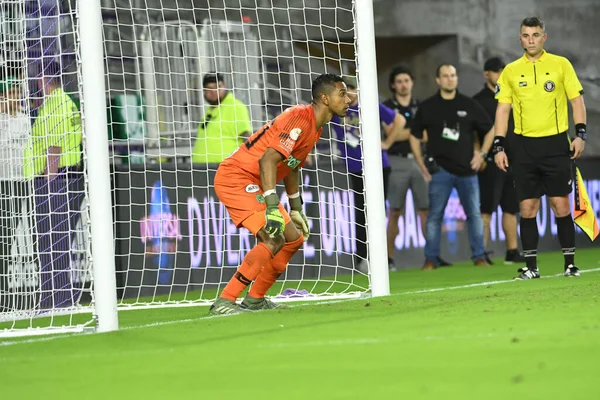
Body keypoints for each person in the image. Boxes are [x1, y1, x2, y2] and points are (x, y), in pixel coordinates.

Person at [209, 74, 351, 315]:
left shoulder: (315, 127)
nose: (348, 99)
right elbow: (268, 159)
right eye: (343, 94)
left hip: (255, 179)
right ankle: (225, 300)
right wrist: (273, 206)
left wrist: (296, 208)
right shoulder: (299, 118)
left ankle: (255, 299)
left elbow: (292, 164)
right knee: (273, 238)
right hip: (238, 178)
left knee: (293, 239)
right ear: (325, 99)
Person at [493, 17, 587, 280]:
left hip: (556, 143)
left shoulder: (560, 64)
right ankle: (531, 267)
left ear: (544, 37)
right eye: (526, 35)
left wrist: (580, 134)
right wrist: (499, 145)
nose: (531, 39)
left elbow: (576, 101)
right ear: (520, 38)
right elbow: (502, 110)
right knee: (527, 208)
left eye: (536, 34)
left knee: (561, 205)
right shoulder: (510, 71)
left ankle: (570, 264)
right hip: (522, 147)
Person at [411, 64, 495, 270]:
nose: (450, 79)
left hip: (468, 171)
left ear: (457, 79)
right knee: (435, 216)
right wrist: (421, 164)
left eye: (453, 75)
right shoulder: (428, 106)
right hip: (440, 170)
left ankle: (479, 256)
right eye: (445, 76)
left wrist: (482, 154)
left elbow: (491, 130)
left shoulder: (469, 104)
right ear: (438, 80)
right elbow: (414, 135)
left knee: (474, 215)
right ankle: (431, 259)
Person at [330, 78, 406, 272]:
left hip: (379, 165)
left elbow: (399, 120)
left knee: (379, 211)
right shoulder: (335, 111)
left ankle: (383, 258)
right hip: (356, 167)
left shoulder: (370, 105)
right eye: (343, 91)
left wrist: (388, 143)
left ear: (357, 90)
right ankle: (362, 259)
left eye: (351, 90)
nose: (348, 95)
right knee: (360, 213)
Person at [383, 66, 452, 270]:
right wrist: (413, 132)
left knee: (425, 210)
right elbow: (391, 135)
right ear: (393, 85)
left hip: (419, 159)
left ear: (412, 82)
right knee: (394, 211)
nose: (403, 84)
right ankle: (387, 260)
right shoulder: (387, 106)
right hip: (397, 160)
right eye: (399, 81)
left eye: (407, 80)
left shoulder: (422, 106)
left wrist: (402, 131)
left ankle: (432, 256)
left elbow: (431, 133)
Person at [473, 58, 526, 265]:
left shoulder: (514, 95)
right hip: (491, 160)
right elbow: (474, 132)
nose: (500, 74)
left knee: (511, 208)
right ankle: (481, 253)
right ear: (487, 74)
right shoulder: (478, 100)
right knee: (486, 209)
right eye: (496, 71)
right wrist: (481, 154)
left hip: (513, 158)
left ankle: (512, 251)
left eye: (503, 71)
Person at [0, 75, 31, 310]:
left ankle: (5, 298)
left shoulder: (24, 118)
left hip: (21, 183)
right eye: (12, 92)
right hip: (2, 183)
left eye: (18, 91)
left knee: (10, 238)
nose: (17, 96)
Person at [192, 72, 252, 164]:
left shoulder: (235, 107)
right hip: (202, 168)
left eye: (217, 87)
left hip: (224, 168)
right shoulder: (210, 110)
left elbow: (247, 138)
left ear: (224, 86)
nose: (213, 92)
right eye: (208, 89)